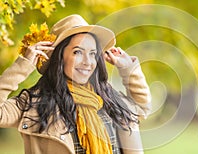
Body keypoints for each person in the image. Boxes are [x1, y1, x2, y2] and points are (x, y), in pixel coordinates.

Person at [0, 14, 151, 154]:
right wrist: (23, 66)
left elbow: (141, 108)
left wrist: (128, 69)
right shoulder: (34, 103)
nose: (88, 62)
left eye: (92, 53)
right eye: (78, 52)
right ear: (60, 57)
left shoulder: (107, 97)